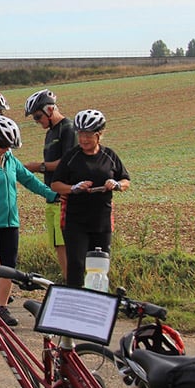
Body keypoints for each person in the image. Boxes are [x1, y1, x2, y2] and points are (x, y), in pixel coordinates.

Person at [0, 115, 58, 325]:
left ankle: (2, 308)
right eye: (3, 145)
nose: (5, 149)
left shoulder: (10, 159)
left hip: (11, 222)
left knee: (9, 266)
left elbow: (28, 180)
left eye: (8, 146)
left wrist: (51, 195)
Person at [50, 109, 130, 288]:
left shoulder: (109, 156)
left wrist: (116, 184)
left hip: (101, 220)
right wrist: (73, 188)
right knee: (77, 265)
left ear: (99, 134)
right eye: (81, 135)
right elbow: (55, 184)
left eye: (88, 135)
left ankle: (98, 302)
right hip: (75, 221)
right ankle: (73, 303)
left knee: (100, 266)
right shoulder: (72, 157)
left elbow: (126, 181)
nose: (84, 139)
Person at [23, 89, 77, 281]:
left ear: (50, 108)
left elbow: (67, 162)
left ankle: (73, 284)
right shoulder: (51, 133)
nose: (38, 121)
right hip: (51, 197)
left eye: (38, 116)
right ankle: (68, 280)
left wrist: (38, 167)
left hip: (64, 198)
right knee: (58, 244)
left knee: (66, 244)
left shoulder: (68, 128)